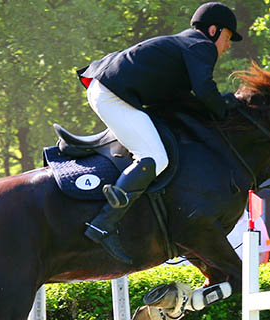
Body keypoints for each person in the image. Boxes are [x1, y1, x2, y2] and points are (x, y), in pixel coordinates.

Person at [76, 2, 245, 264]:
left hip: (106, 89)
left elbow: (182, 99)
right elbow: (203, 90)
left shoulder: (183, 49)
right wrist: (225, 109)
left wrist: (222, 103)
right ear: (213, 30)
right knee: (155, 157)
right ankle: (102, 224)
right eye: (228, 37)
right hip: (111, 94)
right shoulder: (201, 47)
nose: (228, 45)